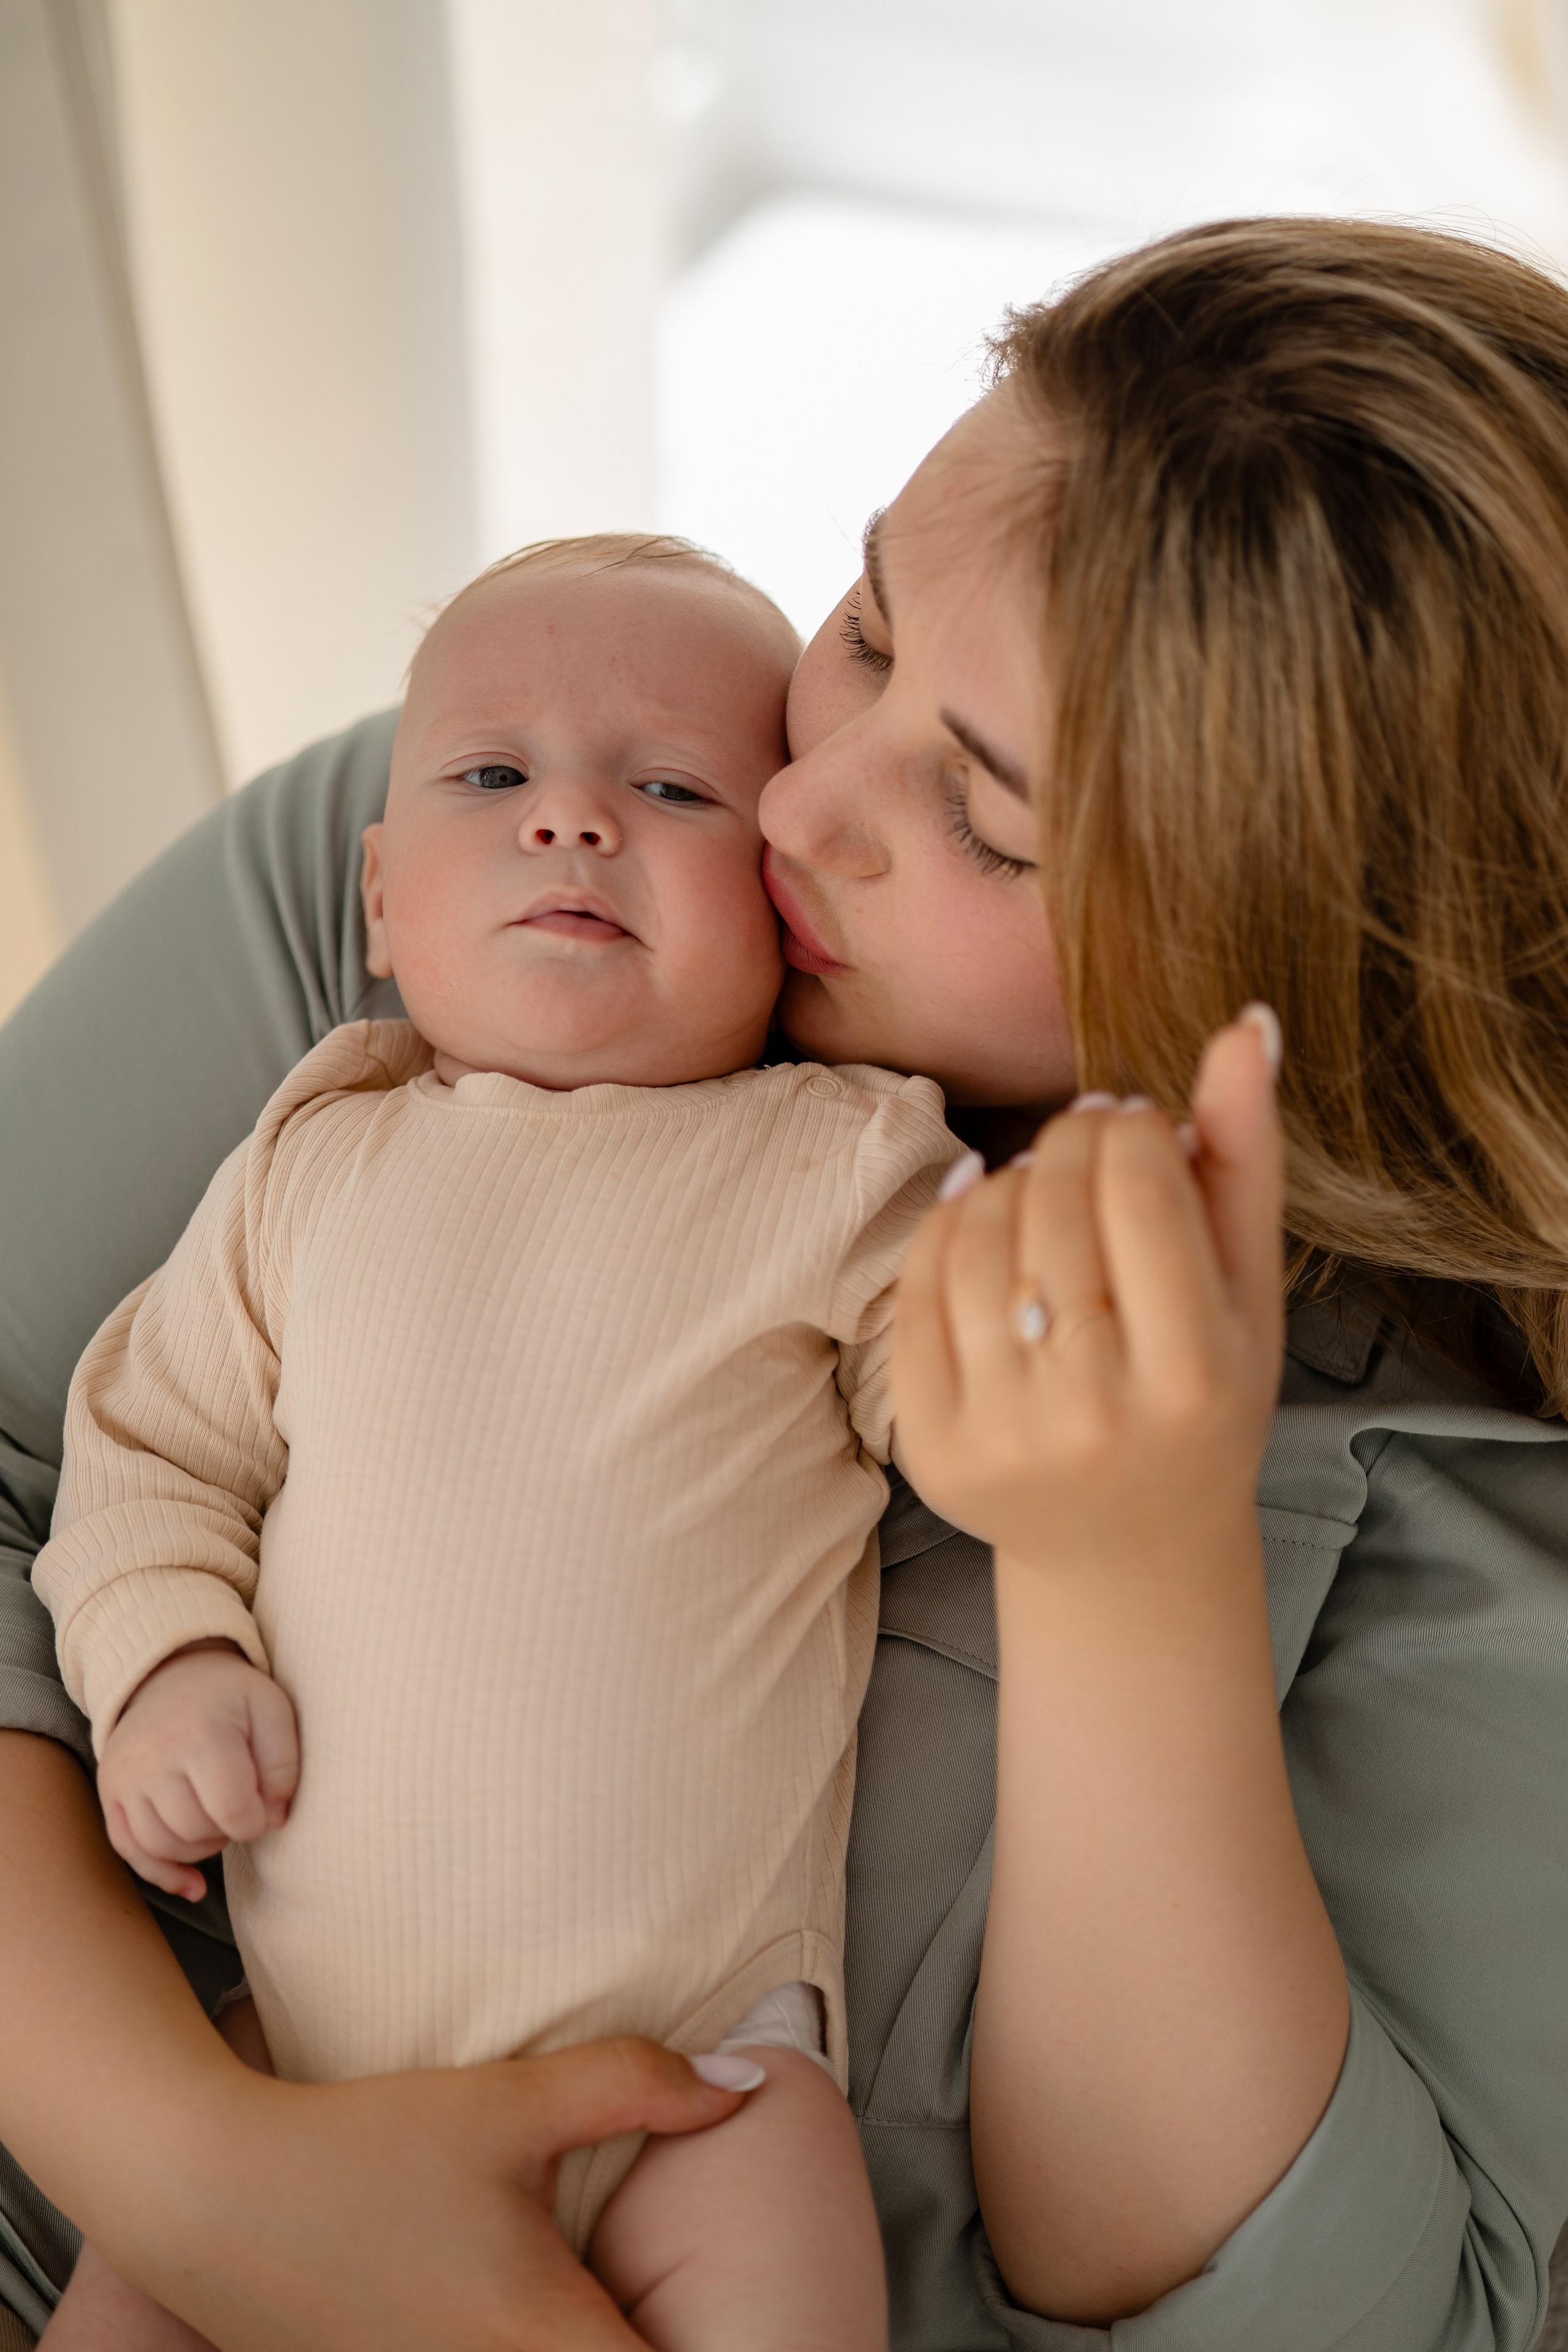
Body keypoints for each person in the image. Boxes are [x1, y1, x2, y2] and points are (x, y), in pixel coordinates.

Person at [2, 213, 1568, 2352]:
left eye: (991, 829)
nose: (794, 799)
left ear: (1323, 978)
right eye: (864, 620)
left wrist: (1133, 1581)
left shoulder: (1479, 1543)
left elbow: (1329, 2322)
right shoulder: (501, 857)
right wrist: (196, 2170)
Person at [35, 527, 956, 2351]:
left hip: (698, 2075)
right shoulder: (318, 1158)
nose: (571, 820)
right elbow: (149, 1453)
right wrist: (166, 1659)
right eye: (491, 775)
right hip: (291, 2071)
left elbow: (967, 1402)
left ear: (779, 894)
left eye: (672, 786)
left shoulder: (837, 1158)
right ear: (381, 897)